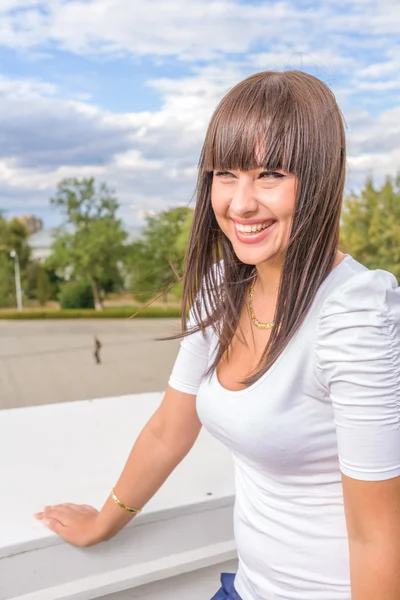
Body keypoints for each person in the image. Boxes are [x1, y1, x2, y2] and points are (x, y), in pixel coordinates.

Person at [34, 71, 400, 600]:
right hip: (247, 588)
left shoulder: (357, 315)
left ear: (321, 179)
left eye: (269, 174)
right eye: (224, 173)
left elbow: (377, 538)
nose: (240, 203)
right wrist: (103, 522)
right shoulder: (223, 287)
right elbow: (168, 429)